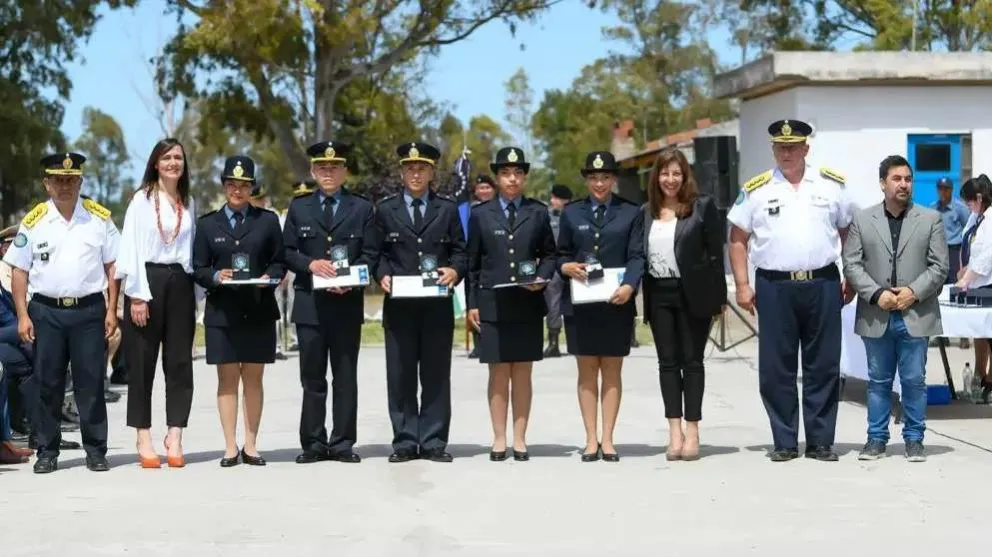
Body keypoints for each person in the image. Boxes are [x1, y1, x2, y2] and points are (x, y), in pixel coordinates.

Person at [726, 119, 857, 462]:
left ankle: (820, 441)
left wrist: (852, 276)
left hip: (823, 282)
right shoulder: (757, 188)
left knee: (824, 364)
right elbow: (738, 240)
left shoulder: (831, 185)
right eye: (780, 147)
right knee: (776, 367)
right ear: (773, 150)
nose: (786, 152)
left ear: (806, 149)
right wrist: (742, 284)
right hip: (774, 286)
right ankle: (784, 440)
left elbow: (848, 233)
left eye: (793, 146)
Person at [3, 152, 120, 473]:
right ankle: (47, 450)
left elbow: (113, 266)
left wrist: (111, 309)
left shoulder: (99, 219)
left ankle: (95, 449)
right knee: (48, 383)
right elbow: (18, 271)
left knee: (91, 382)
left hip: (89, 310)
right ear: (47, 184)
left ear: (81, 182)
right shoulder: (34, 221)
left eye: (71, 180)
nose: (65, 186)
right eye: (58, 180)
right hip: (46, 312)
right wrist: (23, 315)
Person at [843, 155, 948, 462]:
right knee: (878, 381)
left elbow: (940, 266)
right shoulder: (863, 220)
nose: (904, 184)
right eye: (897, 179)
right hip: (877, 313)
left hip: (916, 313)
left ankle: (914, 439)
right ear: (882, 183)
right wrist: (877, 294)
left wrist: (913, 292)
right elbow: (851, 263)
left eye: (908, 179)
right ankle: (876, 439)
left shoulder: (930, 219)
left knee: (914, 380)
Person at [373, 142, 468, 463]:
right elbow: (376, 253)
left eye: (422, 168)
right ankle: (404, 440)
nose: (416, 174)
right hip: (399, 306)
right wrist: (382, 274)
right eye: (410, 168)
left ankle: (433, 441)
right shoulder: (385, 209)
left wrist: (455, 270)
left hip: (436, 306)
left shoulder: (448, 208)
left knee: (436, 374)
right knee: (399, 375)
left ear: (431, 173)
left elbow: (460, 251)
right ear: (402, 173)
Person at [283, 140, 377, 464]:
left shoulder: (362, 208)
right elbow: (286, 252)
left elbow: (371, 254)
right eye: (322, 167)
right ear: (312, 171)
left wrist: (350, 281)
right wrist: (309, 264)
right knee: (312, 378)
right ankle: (312, 443)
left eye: (334, 167)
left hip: (346, 305)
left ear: (345, 171)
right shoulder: (299, 208)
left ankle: (342, 444)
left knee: (345, 376)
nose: (328, 172)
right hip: (310, 305)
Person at [192, 156, 286, 467]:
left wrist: (266, 280)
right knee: (227, 379)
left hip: (258, 309)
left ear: (251, 187)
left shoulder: (268, 221)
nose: (237, 190)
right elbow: (200, 268)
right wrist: (217, 277)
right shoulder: (207, 224)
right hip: (223, 312)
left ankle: (252, 444)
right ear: (223, 186)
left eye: (244, 185)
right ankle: (230, 446)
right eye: (232, 184)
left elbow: (279, 260)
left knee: (254, 379)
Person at [466, 147, 556, 462]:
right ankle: (499, 438)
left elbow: (550, 254)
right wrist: (471, 303)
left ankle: (519, 438)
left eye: (518, 173)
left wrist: (542, 278)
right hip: (492, 303)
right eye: (506, 173)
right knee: (498, 372)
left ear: (525, 177)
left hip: (527, 302)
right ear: (498, 177)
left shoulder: (538, 211)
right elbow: (472, 262)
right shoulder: (480, 213)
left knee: (522, 373)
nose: (512, 179)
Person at [640, 147, 726, 461]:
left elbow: (716, 256)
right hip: (659, 294)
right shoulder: (646, 212)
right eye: (665, 173)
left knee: (692, 362)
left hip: (694, 294)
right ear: (656, 177)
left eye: (676, 173)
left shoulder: (703, 207)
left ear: (685, 175)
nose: (671, 180)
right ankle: (673, 430)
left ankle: (693, 430)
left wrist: (719, 299)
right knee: (667, 363)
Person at [556, 152, 643, 462]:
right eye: (593, 178)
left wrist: (630, 285)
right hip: (580, 304)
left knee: (612, 370)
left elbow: (637, 256)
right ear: (586, 180)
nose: (599, 183)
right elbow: (560, 254)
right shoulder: (571, 212)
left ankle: (608, 439)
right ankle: (590, 439)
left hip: (616, 302)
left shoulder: (631, 212)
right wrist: (566, 267)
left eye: (605, 177)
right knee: (586, 371)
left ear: (614, 179)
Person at [116, 138, 197, 469]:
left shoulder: (187, 201)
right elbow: (131, 247)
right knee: (142, 362)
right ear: (155, 163)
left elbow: (192, 250)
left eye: (178, 157)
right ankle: (144, 435)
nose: (173, 163)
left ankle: (175, 433)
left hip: (180, 282)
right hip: (146, 281)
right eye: (167, 157)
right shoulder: (141, 200)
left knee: (179, 363)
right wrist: (136, 293)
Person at [955, 174, 992, 402]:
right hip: (976, 282)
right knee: (980, 331)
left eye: (969, 200)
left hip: (987, 282)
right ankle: (980, 375)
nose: (967, 205)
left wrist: (966, 278)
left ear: (979, 197)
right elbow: (967, 243)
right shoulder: (976, 217)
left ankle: (989, 382)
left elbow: (987, 255)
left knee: (991, 334)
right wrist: (962, 271)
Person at [467, 175, 496, 359]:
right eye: (480, 188)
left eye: (487, 187)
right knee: (473, 302)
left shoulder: (496, 210)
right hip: (472, 259)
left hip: (491, 265)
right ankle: (477, 342)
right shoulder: (469, 211)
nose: (484, 191)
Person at [543, 184, 573, 358]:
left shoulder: (575, 215)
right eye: (552, 197)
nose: (552, 201)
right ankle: (553, 342)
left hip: (574, 265)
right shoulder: (548, 216)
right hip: (554, 266)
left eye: (556, 198)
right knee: (552, 303)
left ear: (565, 201)